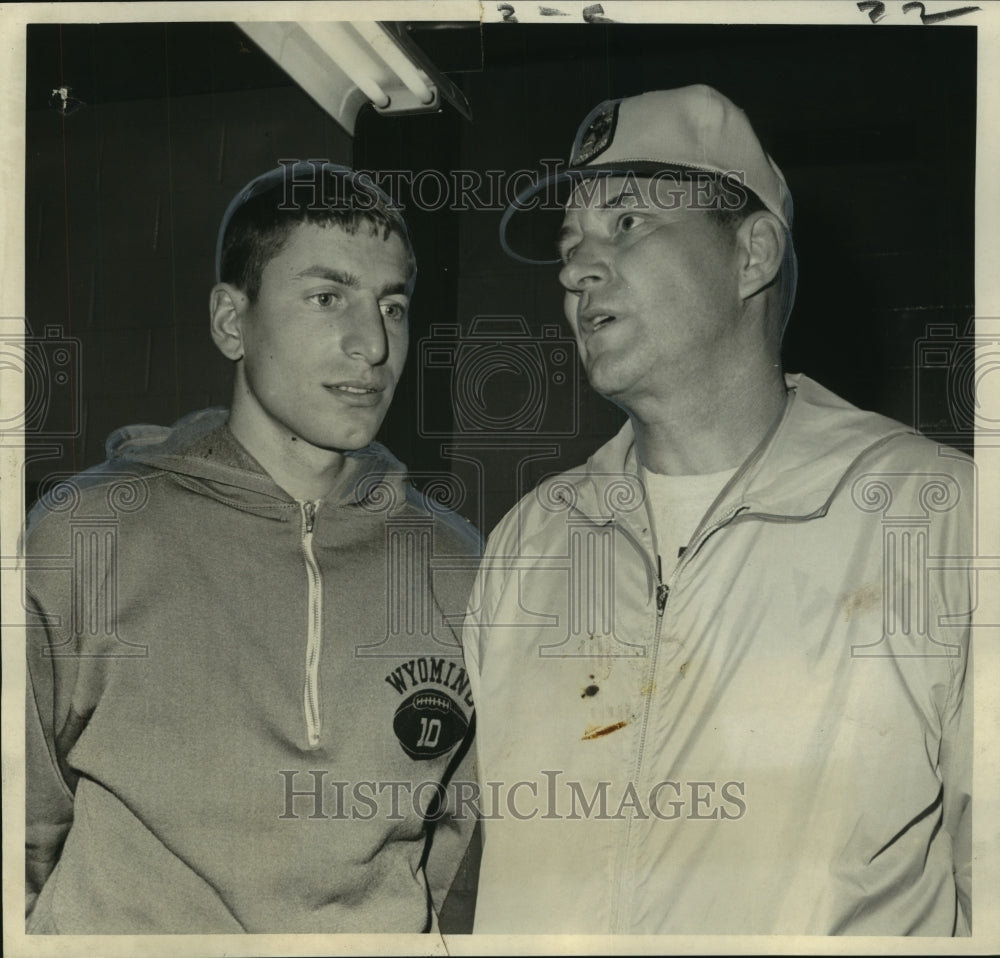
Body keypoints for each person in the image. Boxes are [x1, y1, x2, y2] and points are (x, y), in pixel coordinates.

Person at [464, 86, 972, 935]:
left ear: (753, 254)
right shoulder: (533, 540)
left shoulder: (938, 518)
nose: (575, 270)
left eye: (627, 222)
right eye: (570, 242)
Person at [24, 162, 481, 934]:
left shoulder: (457, 564)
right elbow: (23, 835)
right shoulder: (86, 535)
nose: (373, 344)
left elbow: (458, 852)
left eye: (393, 306)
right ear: (232, 322)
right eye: (328, 297)